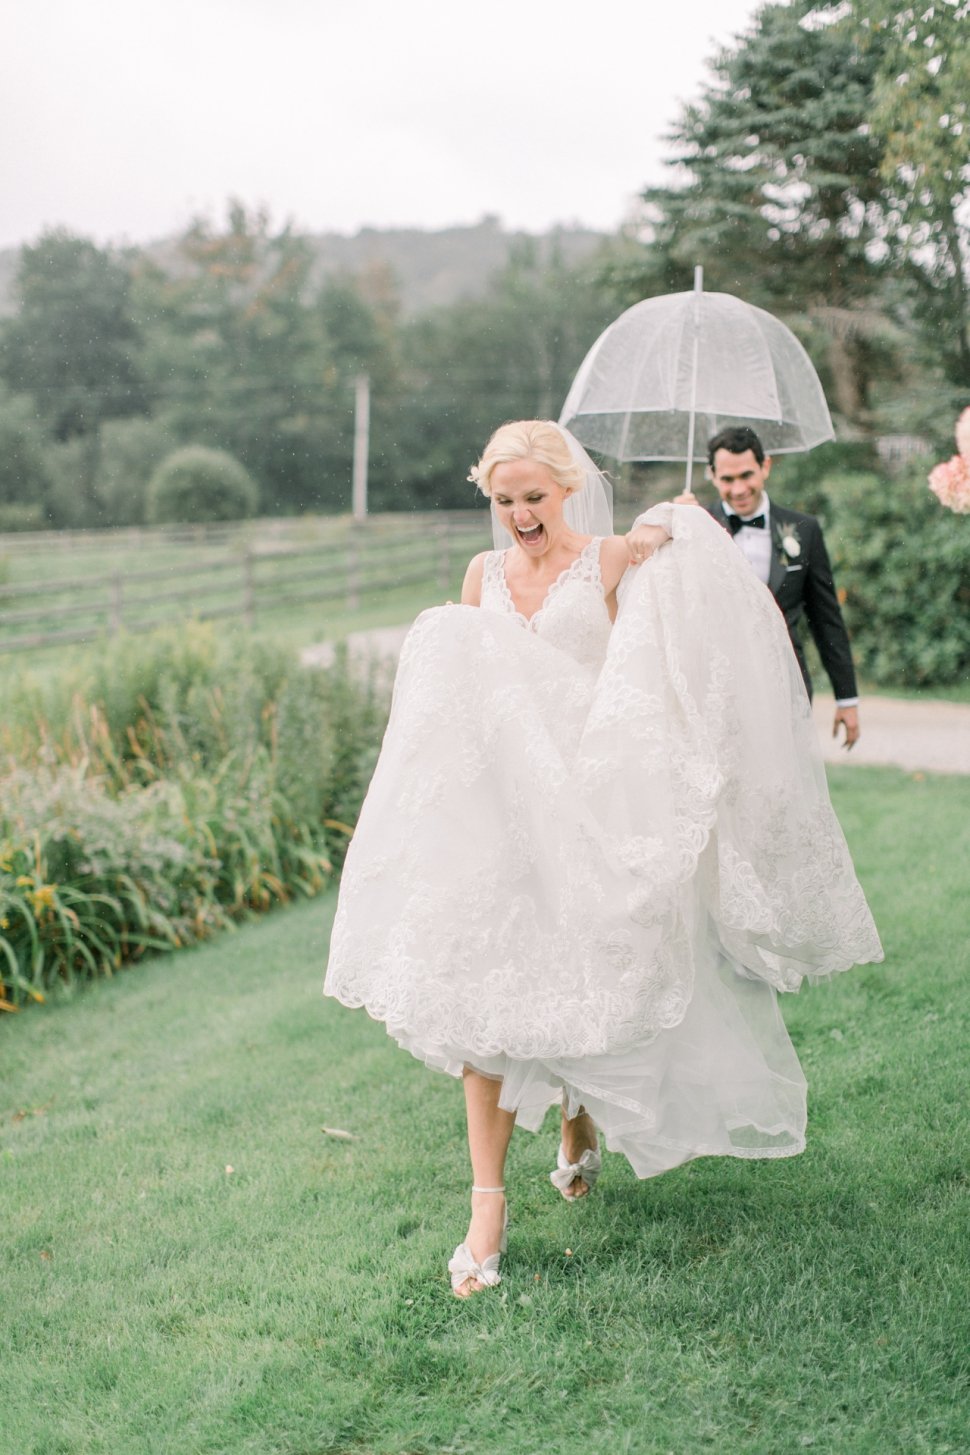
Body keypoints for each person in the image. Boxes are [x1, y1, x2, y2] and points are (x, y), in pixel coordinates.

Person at [324, 419, 882, 1299]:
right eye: (503, 501)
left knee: (584, 982)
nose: (518, 516)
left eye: (533, 498)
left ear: (568, 489)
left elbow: (648, 680)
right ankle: (486, 1210)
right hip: (501, 826)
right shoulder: (480, 578)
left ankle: (578, 1122)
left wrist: (671, 535)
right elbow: (460, 702)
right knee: (485, 1011)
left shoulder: (613, 561)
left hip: (587, 814)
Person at [631, 425, 860, 748]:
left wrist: (846, 698)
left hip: (784, 684)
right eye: (727, 479)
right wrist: (678, 522)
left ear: (765, 467)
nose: (738, 489)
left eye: (746, 476)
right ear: (711, 475)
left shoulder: (805, 530)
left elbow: (827, 619)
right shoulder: (690, 524)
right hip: (714, 687)